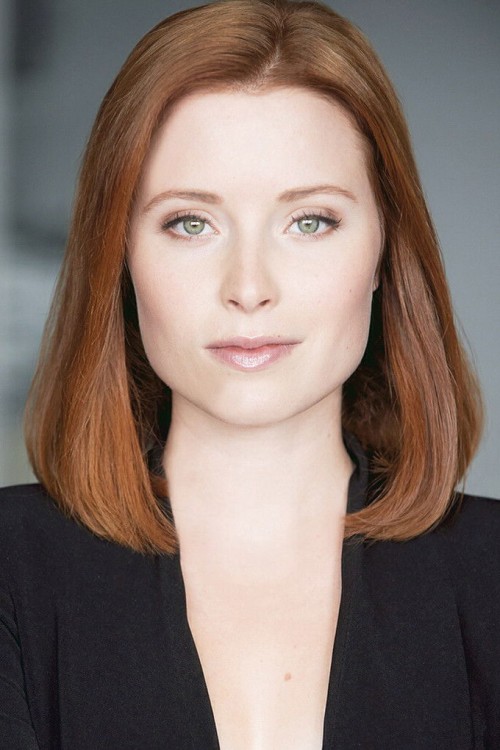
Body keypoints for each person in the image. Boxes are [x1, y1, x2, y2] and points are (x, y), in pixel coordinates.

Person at [1, 0, 498, 747]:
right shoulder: (12, 567)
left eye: (310, 221)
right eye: (190, 223)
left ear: (384, 251)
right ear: (120, 256)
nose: (249, 286)